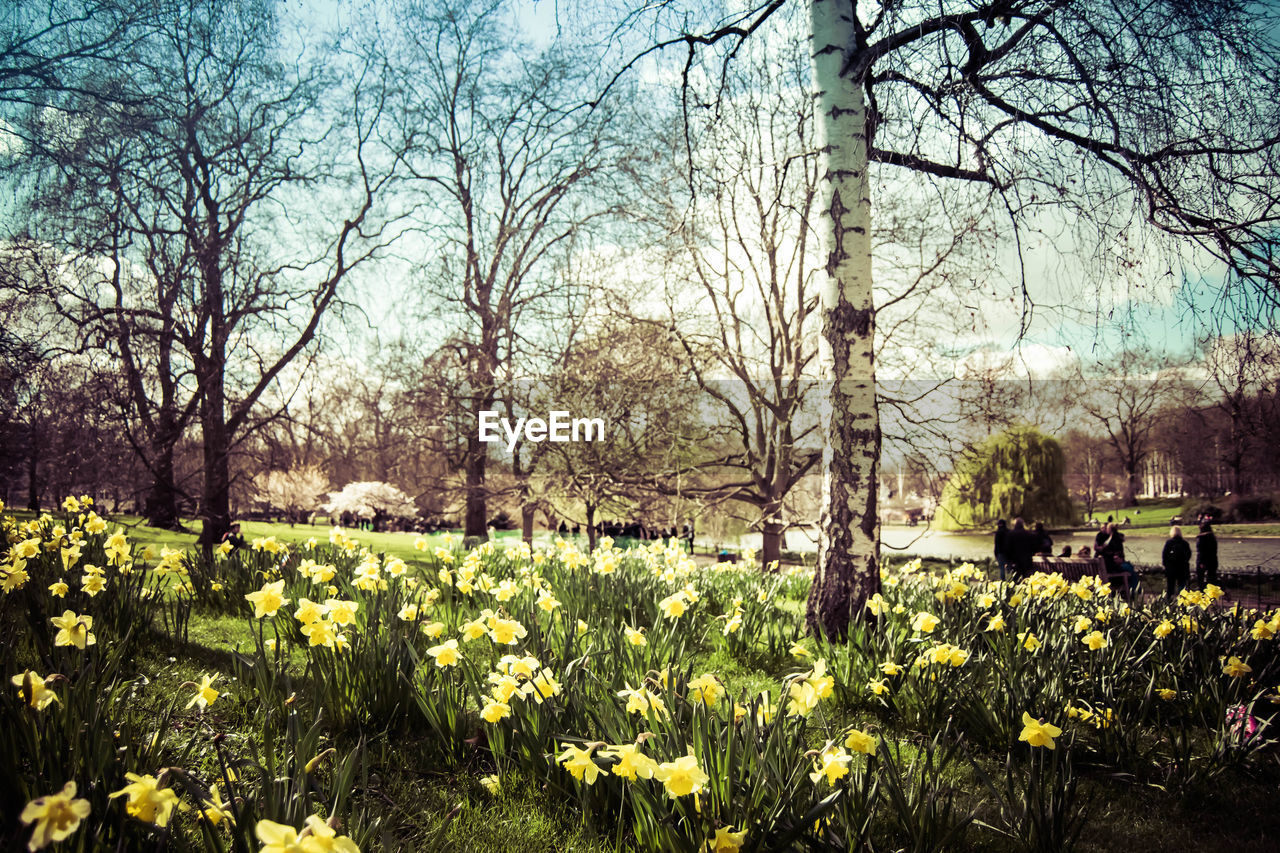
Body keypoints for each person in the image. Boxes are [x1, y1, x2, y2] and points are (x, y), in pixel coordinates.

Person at [1162, 525, 1192, 598]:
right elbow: (1189, 555)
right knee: (1182, 586)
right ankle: (1182, 602)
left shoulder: (1169, 543)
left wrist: (1166, 565)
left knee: (1170, 587)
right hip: (1183, 568)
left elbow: (1164, 555)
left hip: (1171, 568)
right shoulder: (1185, 543)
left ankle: (1169, 602)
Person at [1196, 522, 1219, 590]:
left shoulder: (1201, 538)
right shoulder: (1213, 537)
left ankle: (1202, 593)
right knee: (1212, 579)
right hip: (1213, 560)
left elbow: (1200, 551)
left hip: (1203, 561)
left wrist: (1201, 562)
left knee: (1200, 579)